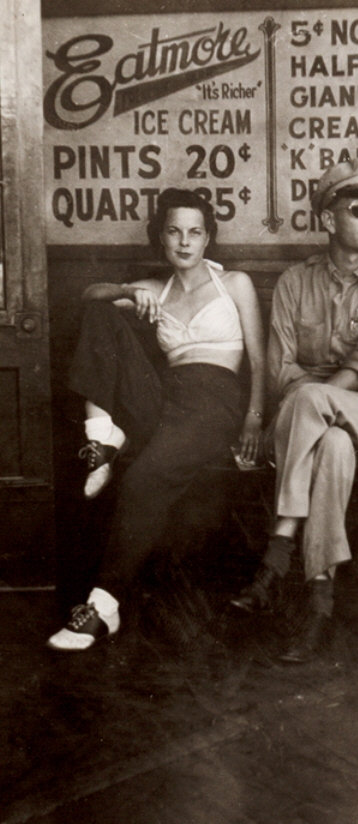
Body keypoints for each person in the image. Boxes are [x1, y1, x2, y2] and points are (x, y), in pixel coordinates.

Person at [48, 188, 265, 651]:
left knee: (144, 478)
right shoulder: (153, 289)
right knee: (102, 311)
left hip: (216, 402)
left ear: (208, 239)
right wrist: (128, 292)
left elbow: (260, 361)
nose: (184, 242)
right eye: (173, 231)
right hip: (167, 398)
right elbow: (90, 296)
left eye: (194, 232)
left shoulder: (236, 284)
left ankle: (104, 605)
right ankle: (102, 435)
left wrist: (253, 416)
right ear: (160, 237)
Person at [230, 158, 358, 663]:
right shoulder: (293, 282)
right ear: (328, 218)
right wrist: (311, 411)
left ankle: (278, 551)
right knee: (329, 443)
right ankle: (319, 600)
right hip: (309, 427)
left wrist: (316, 402)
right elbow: (279, 370)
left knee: (317, 404)